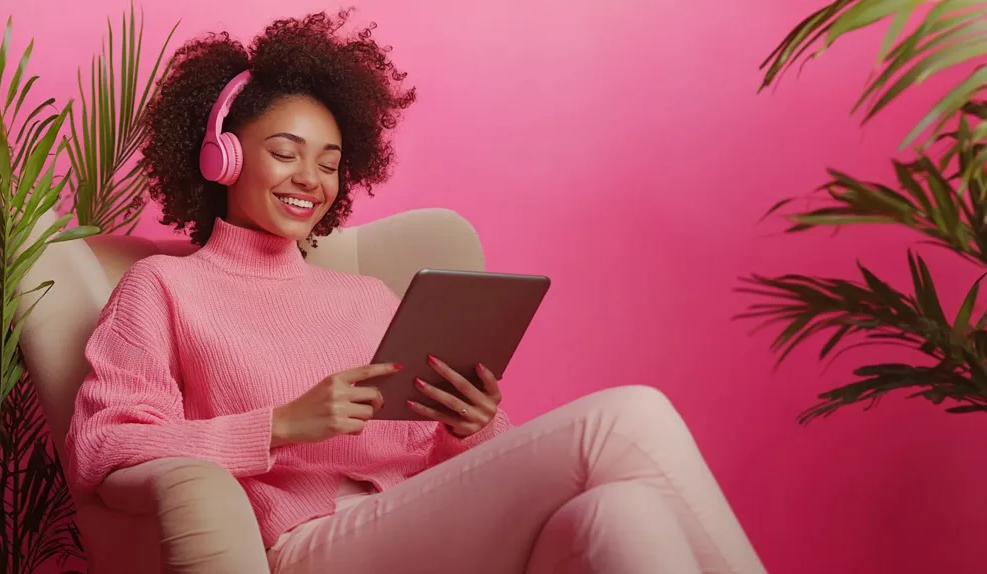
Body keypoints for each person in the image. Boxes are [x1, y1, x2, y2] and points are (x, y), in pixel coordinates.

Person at [66, 10, 765, 574]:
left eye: (330, 164)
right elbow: (105, 446)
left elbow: (441, 462)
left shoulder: (370, 296)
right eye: (285, 152)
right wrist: (281, 424)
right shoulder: (164, 287)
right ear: (221, 156)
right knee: (630, 418)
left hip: (421, 527)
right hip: (309, 545)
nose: (310, 177)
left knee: (618, 518)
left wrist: (473, 427)